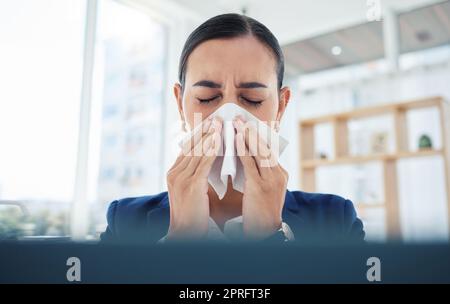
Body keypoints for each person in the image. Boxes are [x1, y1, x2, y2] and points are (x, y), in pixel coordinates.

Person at [100, 13, 365, 244]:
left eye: (252, 100)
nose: (229, 118)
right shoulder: (125, 221)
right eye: (206, 97)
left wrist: (270, 240)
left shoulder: (335, 220)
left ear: (281, 107)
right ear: (181, 107)